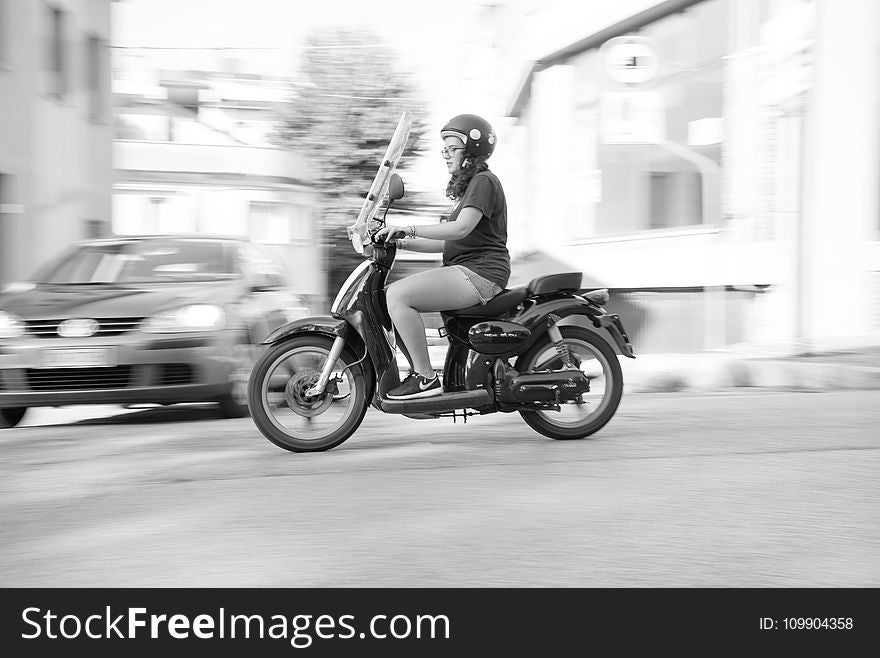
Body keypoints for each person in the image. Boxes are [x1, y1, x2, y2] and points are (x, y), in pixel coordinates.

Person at [375, 113, 510, 400]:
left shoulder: (484, 181)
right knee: (388, 296)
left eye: (452, 149)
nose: (446, 155)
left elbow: (460, 229)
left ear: (471, 150)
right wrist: (400, 242)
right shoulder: (470, 188)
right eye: (444, 150)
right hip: (467, 269)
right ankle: (419, 375)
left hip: (482, 272)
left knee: (398, 295)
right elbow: (447, 243)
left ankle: (426, 378)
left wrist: (408, 228)